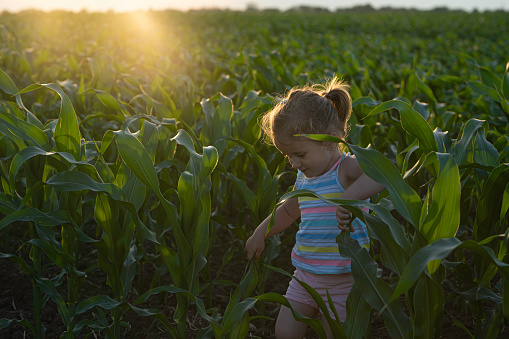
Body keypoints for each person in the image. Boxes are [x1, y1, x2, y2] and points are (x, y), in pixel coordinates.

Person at [245, 77, 385, 339]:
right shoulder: (304, 177)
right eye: (288, 156)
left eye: (300, 154)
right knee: (285, 332)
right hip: (305, 275)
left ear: (329, 139)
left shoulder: (345, 169)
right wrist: (260, 233)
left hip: (344, 279)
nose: (294, 163)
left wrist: (348, 198)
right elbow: (287, 212)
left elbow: (381, 172)